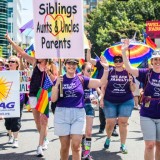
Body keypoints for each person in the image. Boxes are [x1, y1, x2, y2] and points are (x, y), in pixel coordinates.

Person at [5, 34, 57, 157]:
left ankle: (41, 144)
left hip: (44, 95)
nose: (37, 54)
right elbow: (22, 53)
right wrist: (10, 41)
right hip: (33, 95)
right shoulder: (34, 62)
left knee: (44, 120)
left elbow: (55, 80)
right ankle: (44, 138)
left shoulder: (52, 66)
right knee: (38, 121)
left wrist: (48, 72)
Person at [51, 57, 109, 160]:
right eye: (69, 63)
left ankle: (86, 153)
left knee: (76, 146)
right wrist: (56, 85)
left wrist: (106, 69)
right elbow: (54, 99)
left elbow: (101, 82)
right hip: (62, 113)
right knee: (64, 147)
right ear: (65, 64)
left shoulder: (82, 79)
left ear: (77, 66)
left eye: (74, 64)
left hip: (78, 114)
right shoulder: (59, 79)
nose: (71, 66)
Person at [122, 39, 160, 160]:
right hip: (147, 113)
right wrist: (123, 52)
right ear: (152, 61)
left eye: (159, 60)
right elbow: (128, 68)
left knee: (159, 146)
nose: (157, 62)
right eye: (155, 60)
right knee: (150, 145)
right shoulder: (146, 73)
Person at [101, 54, 136, 154]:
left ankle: (123, 145)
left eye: (120, 60)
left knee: (123, 122)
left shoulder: (128, 72)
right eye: (116, 61)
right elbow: (103, 87)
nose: (118, 62)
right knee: (110, 123)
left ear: (123, 61)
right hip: (110, 100)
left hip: (126, 100)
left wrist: (131, 83)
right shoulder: (110, 72)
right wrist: (102, 99)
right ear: (114, 62)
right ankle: (108, 137)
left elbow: (133, 89)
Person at [86, 46, 119, 136]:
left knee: (113, 109)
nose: (103, 57)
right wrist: (89, 49)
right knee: (102, 108)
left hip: (113, 90)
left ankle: (113, 129)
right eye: (102, 55)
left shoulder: (115, 64)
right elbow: (89, 59)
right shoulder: (100, 63)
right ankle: (102, 126)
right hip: (101, 88)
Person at [81, 62, 103, 160]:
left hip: (90, 107)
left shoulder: (92, 81)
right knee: (82, 133)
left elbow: (101, 93)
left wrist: (98, 99)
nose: (90, 72)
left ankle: (86, 153)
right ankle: (82, 149)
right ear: (83, 71)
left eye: (91, 70)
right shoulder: (79, 80)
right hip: (79, 107)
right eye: (88, 70)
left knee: (89, 132)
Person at [4, 55, 25, 148]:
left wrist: (20, 59)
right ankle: (10, 135)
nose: (10, 63)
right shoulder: (4, 73)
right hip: (7, 100)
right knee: (7, 121)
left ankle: (16, 140)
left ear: (17, 64)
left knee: (16, 120)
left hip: (18, 100)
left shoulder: (20, 74)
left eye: (13, 61)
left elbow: (24, 72)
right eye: (9, 61)